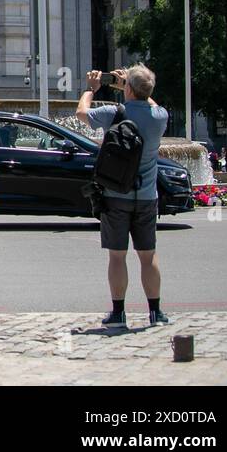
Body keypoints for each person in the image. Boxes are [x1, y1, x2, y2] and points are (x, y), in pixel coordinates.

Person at [77, 65, 170, 328]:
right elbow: (150, 100)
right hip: (146, 196)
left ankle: (118, 314)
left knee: (117, 256)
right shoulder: (159, 117)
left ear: (128, 88)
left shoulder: (114, 113)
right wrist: (129, 85)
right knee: (148, 255)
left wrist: (90, 89)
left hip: (115, 193)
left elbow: (81, 113)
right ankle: (155, 312)